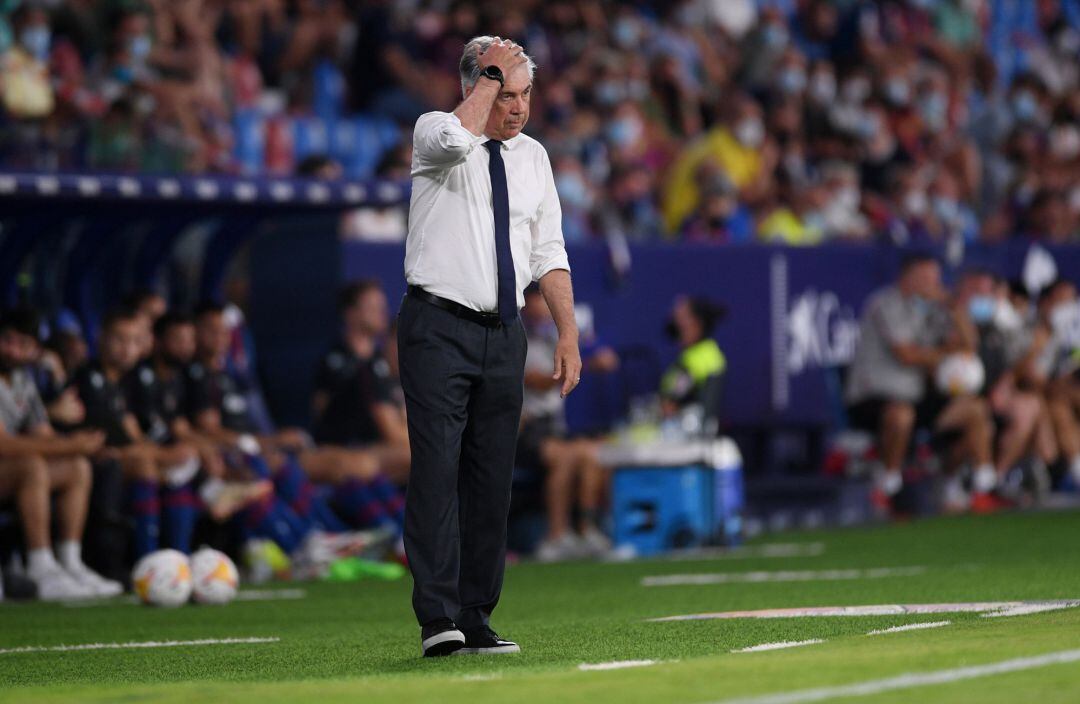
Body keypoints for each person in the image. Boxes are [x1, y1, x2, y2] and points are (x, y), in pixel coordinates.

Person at [400, 36, 578, 657]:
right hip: (437, 327)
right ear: (477, 87)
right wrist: (485, 82)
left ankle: (475, 615)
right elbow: (453, 140)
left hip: (504, 334)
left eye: (526, 94)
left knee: (490, 477)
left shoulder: (533, 158)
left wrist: (568, 332)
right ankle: (437, 618)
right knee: (436, 469)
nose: (519, 107)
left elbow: (548, 251)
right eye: (506, 93)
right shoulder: (436, 133)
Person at [845, 255, 996, 506]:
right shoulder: (886, 303)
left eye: (936, 278)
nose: (933, 284)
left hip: (915, 396)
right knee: (901, 415)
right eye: (926, 278)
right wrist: (944, 353)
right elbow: (906, 354)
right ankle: (888, 485)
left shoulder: (932, 308)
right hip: (874, 396)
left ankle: (979, 486)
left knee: (975, 410)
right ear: (907, 278)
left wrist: (954, 307)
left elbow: (969, 345)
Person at [0, 307, 121, 600]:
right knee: (31, 466)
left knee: (76, 466)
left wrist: (81, 444)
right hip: (10, 468)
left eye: (23, 343)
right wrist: (68, 445)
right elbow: (3, 445)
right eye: (7, 340)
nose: (13, 349)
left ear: (34, 350)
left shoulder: (22, 380)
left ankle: (69, 562)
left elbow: (44, 434)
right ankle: (40, 565)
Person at [518, 286, 618, 562]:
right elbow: (536, 380)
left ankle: (587, 530)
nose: (541, 308)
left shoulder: (556, 339)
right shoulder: (516, 338)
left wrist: (583, 350)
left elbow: (602, 353)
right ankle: (556, 536)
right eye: (536, 302)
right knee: (565, 457)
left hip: (554, 429)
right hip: (524, 431)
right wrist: (581, 365)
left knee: (592, 453)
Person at [660, 296, 728, 418]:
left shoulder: (699, 358)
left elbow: (670, 405)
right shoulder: (697, 352)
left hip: (690, 433)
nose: (675, 324)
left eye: (681, 319)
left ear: (697, 323)